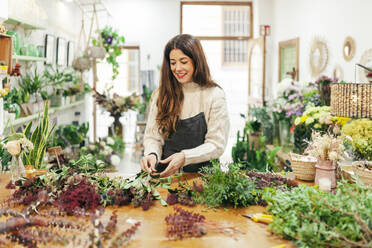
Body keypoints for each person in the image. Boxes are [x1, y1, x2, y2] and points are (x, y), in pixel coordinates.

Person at [140, 34, 230, 177]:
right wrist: (152, 155)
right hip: (167, 176)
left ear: (196, 61)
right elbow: (153, 137)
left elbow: (216, 144)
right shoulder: (161, 95)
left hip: (205, 179)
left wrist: (185, 157)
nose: (177, 68)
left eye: (183, 61)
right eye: (173, 62)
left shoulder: (214, 95)